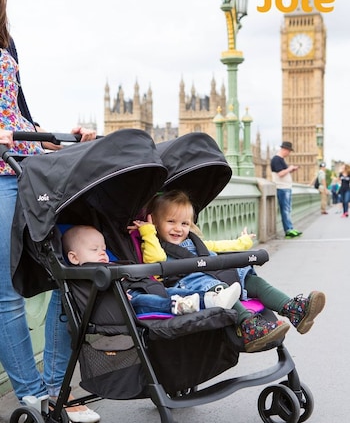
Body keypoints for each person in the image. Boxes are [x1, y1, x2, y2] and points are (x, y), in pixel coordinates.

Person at [0, 0, 99, 423]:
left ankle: (60, 392)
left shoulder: (7, 41)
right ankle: (32, 395)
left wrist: (54, 136)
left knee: (66, 274)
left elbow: (18, 109)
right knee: (6, 293)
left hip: (23, 172)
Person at [131, 190, 326, 354]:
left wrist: (242, 243)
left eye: (184, 224)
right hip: (187, 284)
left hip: (212, 274)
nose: (178, 229)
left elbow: (219, 246)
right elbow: (155, 261)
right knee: (218, 287)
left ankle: (293, 309)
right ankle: (248, 326)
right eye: (171, 221)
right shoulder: (155, 244)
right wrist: (148, 231)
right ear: (154, 221)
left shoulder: (193, 241)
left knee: (248, 278)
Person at [61, 225, 242, 315]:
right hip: (128, 302)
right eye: (94, 250)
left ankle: (212, 297)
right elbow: (91, 296)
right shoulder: (84, 273)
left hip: (146, 287)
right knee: (148, 301)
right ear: (74, 258)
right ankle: (182, 306)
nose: (102, 253)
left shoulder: (111, 264)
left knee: (173, 291)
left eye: (103, 248)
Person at [270, 141, 302, 238]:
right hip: (282, 188)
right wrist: (290, 168)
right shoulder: (276, 159)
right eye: (289, 151)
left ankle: (290, 228)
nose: (289, 153)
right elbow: (280, 174)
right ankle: (288, 230)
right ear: (285, 149)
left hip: (286, 188)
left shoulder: (281, 159)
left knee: (287, 209)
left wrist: (291, 170)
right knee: (285, 210)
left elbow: (283, 173)